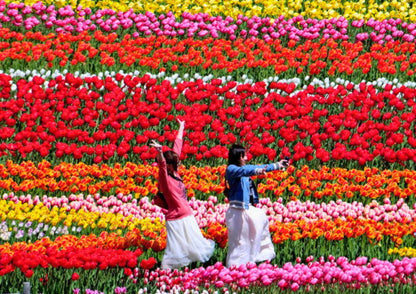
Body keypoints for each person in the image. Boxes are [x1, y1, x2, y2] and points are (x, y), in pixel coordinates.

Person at [150, 119, 215, 269]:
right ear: (169, 165)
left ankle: (187, 272)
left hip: (187, 215)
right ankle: (167, 274)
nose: (179, 163)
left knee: (195, 247)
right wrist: (160, 152)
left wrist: (181, 127)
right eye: (176, 162)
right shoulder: (166, 180)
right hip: (176, 219)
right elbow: (162, 165)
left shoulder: (175, 172)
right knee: (175, 251)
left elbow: (177, 148)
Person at [225, 144, 289, 267]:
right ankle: (234, 268)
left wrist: (277, 165)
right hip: (236, 212)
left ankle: (249, 264)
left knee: (251, 237)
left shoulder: (242, 168)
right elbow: (245, 171)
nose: (246, 158)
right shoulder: (231, 169)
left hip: (245, 210)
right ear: (236, 157)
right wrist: (257, 171)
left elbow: (253, 167)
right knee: (239, 242)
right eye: (243, 156)